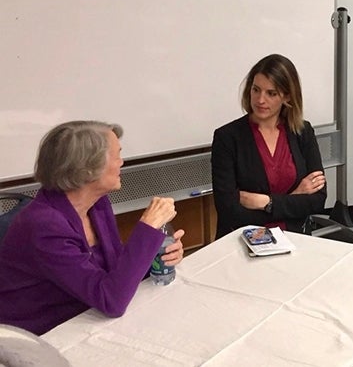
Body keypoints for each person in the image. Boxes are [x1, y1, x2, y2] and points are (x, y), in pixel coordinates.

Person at [0, 121, 185, 335]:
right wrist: (147, 228)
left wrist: (158, 255)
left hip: (85, 317)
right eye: (116, 155)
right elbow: (111, 300)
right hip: (41, 335)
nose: (122, 162)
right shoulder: (44, 226)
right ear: (88, 168)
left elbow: (115, 271)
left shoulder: (96, 204)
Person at [212, 54, 326, 239]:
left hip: (296, 238)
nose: (260, 100)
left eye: (271, 93)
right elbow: (229, 210)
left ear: (287, 96)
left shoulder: (303, 132)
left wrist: (266, 202)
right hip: (243, 241)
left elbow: (317, 200)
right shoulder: (227, 138)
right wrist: (295, 196)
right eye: (256, 90)